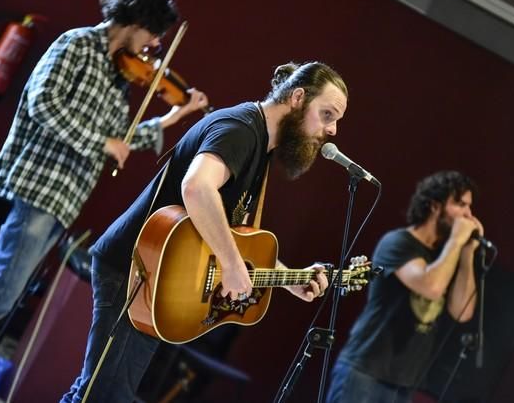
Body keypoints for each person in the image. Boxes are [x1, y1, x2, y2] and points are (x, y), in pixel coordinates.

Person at [61, 60, 348, 402]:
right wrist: (230, 264)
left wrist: (289, 278)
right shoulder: (241, 128)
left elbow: (233, 236)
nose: (332, 131)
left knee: (98, 395)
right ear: (298, 98)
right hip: (137, 270)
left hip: (160, 277)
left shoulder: (261, 145)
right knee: (101, 396)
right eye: (327, 115)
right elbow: (197, 188)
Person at [0, 0, 209, 328]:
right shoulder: (77, 43)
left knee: (4, 295)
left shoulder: (118, 74)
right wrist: (101, 143)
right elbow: (44, 103)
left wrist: (174, 117)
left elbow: (117, 139)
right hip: (40, 184)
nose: (155, 44)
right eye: (154, 33)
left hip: (64, 198)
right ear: (135, 21)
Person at [326, 171, 484, 403]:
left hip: (404, 382)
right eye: (460, 205)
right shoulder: (398, 243)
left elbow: (463, 312)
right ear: (434, 206)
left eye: (470, 207)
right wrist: (456, 241)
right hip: (365, 372)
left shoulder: (445, 256)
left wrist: (467, 253)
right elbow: (431, 287)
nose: (468, 216)